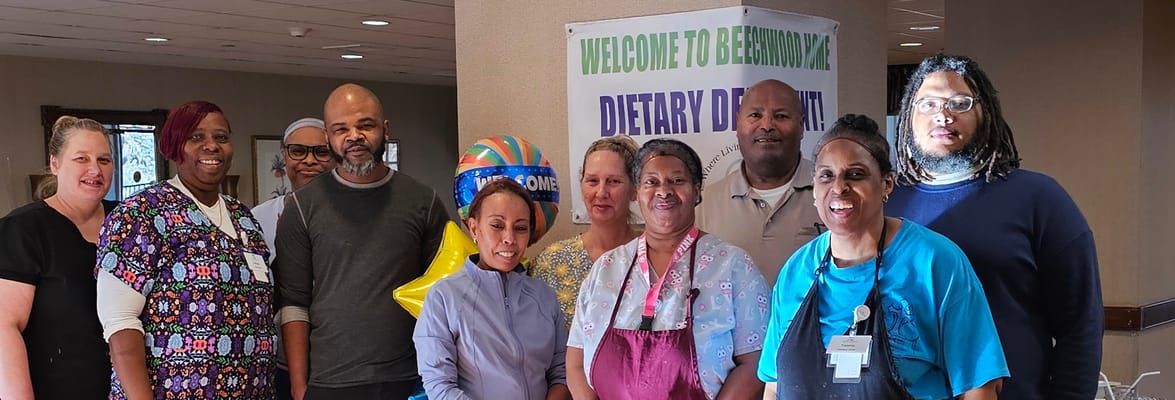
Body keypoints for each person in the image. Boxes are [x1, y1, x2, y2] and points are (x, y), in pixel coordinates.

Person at [886, 54, 1102, 399]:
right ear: (907, 117)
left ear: (985, 111)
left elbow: (1080, 325)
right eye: (927, 103)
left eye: (960, 102)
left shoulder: (1039, 198)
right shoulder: (885, 202)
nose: (943, 115)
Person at [759, 114, 1008, 399]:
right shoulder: (796, 271)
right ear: (814, 190)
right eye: (826, 175)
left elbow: (980, 386)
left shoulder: (935, 262)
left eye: (855, 174)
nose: (838, 187)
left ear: (887, 184)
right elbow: (774, 386)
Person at [273, 83, 449, 400]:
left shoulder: (424, 201)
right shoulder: (302, 207)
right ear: (328, 138)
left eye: (365, 125)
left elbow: (446, 295)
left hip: (412, 378)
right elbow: (294, 304)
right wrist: (300, 389)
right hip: (330, 380)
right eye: (341, 129)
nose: (354, 136)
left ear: (384, 129)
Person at [96, 101, 276, 399]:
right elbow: (120, 324)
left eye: (221, 137)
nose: (212, 146)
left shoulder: (244, 218)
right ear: (173, 147)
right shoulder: (142, 214)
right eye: (196, 137)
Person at [567, 138, 769, 400]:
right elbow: (575, 360)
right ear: (637, 192)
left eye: (677, 180)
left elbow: (754, 363)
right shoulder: (606, 268)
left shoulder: (732, 266)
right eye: (651, 182)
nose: (664, 191)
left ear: (697, 191)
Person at [414, 178, 570, 400]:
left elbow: (561, 371)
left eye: (520, 228)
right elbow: (439, 385)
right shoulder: (444, 297)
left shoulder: (544, 296)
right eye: (497, 226)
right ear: (474, 228)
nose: (509, 238)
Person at [0, 116, 115, 399]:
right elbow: (5, 326)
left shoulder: (127, 222)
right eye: (81, 159)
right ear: (55, 163)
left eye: (103, 159)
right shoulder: (24, 229)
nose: (94, 169)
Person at [698, 79, 822, 286]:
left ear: (801, 126)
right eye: (755, 115)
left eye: (780, 116)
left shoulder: (832, 196)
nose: (766, 125)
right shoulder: (704, 205)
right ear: (737, 124)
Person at [252, 117, 335, 400]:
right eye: (298, 151)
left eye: (321, 152)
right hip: (278, 364)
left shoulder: (352, 218)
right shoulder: (256, 219)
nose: (309, 161)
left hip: (340, 363)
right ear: (284, 155)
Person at [531, 136, 640, 329]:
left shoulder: (653, 257)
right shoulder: (551, 262)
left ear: (635, 190)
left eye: (613, 181)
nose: (601, 192)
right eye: (592, 181)